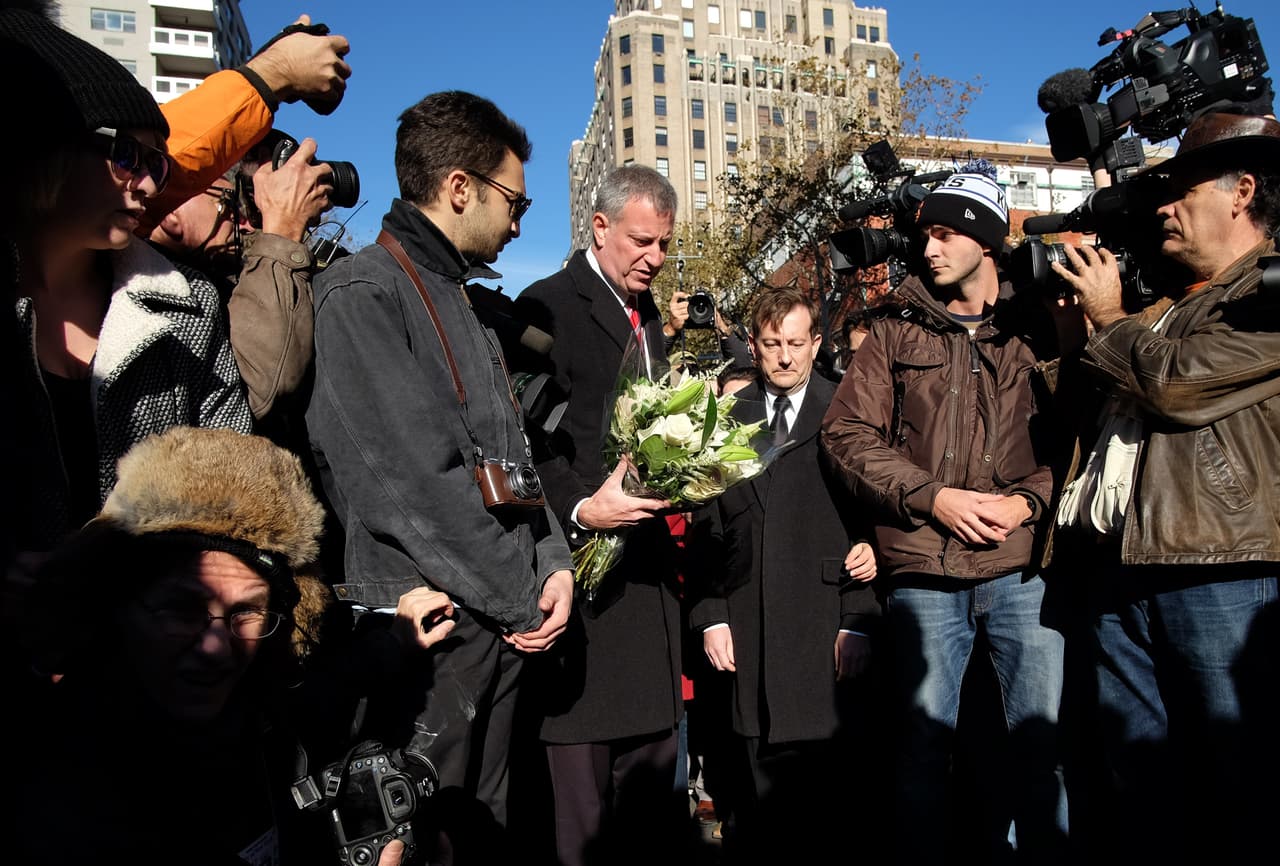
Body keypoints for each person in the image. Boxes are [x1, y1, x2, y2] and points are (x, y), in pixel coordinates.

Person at [304, 90, 574, 863]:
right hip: (422, 638)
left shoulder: (460, 297)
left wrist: (553, 561)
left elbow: (513, 459)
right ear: (460, 187)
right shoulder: (363, 293)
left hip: (494, 623)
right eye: (514, 201)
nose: (520, 223)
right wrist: (523, 598)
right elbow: (411, 486)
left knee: (481, 838)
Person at [10, 426, 446, 865]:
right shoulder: (66, 796)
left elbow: (307, 696)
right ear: (116, 606)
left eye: (246, 612)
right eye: (182, 610)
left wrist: (396, 643)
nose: (217, 646)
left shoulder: (248, 709)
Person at [1048, 109, 1280, 863]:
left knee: (1239, 782)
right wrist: (1075, 337)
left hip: (1221, 572)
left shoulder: (1268, 294)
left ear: (1242, 191)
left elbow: (1179, 387)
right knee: (1140, 785)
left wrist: (1109, 317)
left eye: (1182, 191)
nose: (1164, 207)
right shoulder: (1167, 303)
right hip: (1123, 566)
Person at [820, 167, 1069, 863]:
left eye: (945, 232)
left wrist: (1028, 500)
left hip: (1021, 571)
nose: (927, 248)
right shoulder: (895, 333)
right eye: (924, 232)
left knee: (1037, 746)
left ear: (986, 240)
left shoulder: (1037, 327)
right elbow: (845, 437)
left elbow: (1077, 434)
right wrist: (936, 499)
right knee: (922, 753)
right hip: (923, 574)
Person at [1, 4, 252, 554]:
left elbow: (232, 481)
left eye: (158, 165)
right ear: (51, 147)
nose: (146, 186)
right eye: (125, 155)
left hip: (156, 627)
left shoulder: (189, 306)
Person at [515, 165, 688, 866]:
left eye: (665, 246)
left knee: (651, 824)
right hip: (579, 603)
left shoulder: (651, 322)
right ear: (599, 227)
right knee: (582, 831)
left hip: (647, 597)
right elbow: (520, 443)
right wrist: (585, 508)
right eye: (643, 242)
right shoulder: (545, 305)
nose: (655, 258)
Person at [688, 286, 883, 864]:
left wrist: (861, 619)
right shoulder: (725, 420)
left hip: (825, 629)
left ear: (816, 342)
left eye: (797, 343)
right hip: (748, 627)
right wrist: (711, 614)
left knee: (828, 815)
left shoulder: (846, 412)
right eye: (772, 344)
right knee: (757, 809)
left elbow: (873, 520)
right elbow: (705, 525)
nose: (784, 357)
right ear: (753, 344)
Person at [149, 136, 334, 426]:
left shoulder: (217, 280)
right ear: (173, 209)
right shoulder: (153, 291)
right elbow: (259, 393)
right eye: (229, 204)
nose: (245, 223)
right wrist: (282, 227)